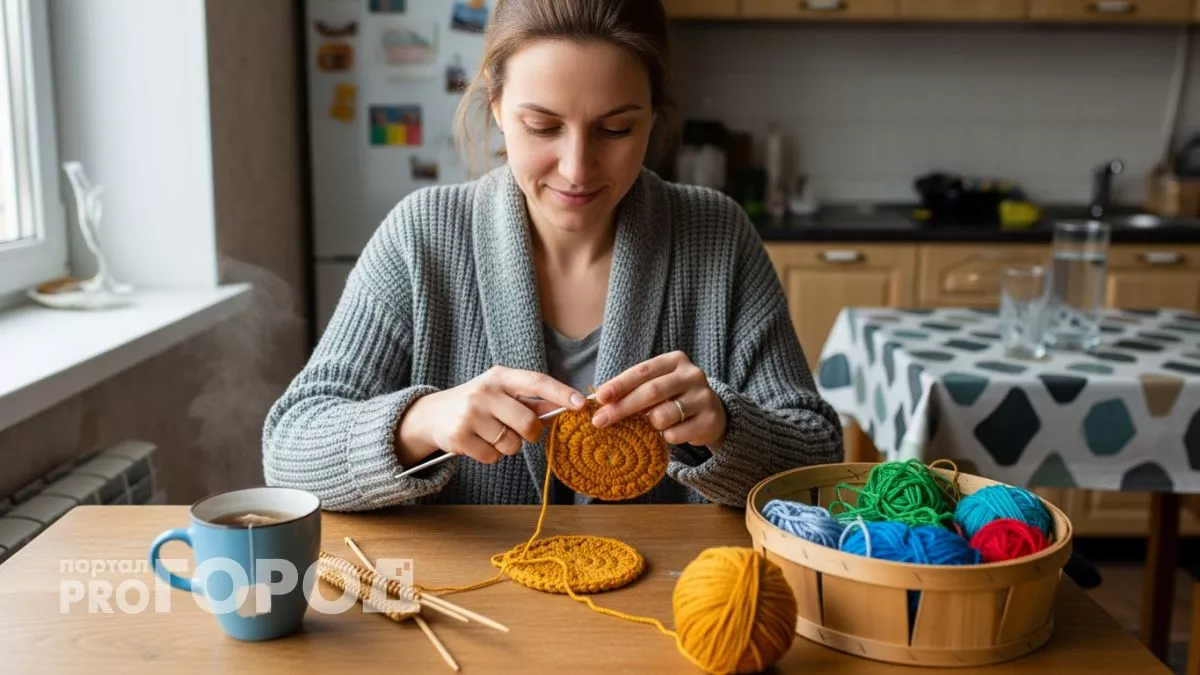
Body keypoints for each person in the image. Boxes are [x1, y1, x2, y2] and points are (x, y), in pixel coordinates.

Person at [262, 0, 843, 511]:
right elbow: (290, 451)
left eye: (615, 130)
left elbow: (820, 456)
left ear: (653, 116)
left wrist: (725, 427)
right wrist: (421, 422)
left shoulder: (716, 235)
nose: (576, 168)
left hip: (670, 614)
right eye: (542, 126)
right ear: (495, 104)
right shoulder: (423, 238)